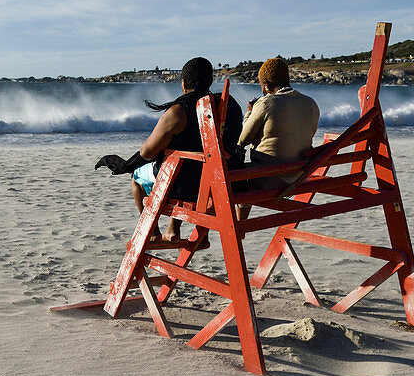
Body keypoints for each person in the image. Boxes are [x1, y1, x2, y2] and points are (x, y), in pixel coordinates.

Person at [96, 57, 243, 243]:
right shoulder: (230, 107)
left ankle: (153, 232)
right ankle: (181, 230)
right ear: (209, 81)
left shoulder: (179, 111)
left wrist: (126, 165)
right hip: (218, 182)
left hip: (185, 187)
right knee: (188, 164)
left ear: (184, 83)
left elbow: (147, 152)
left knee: (137, 176)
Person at [238, 58, 319, 188]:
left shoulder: (266, 103)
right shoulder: (311, 103)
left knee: (237, 181)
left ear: (266, 84)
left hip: (268, 178)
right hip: (299, 177)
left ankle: (240, 208)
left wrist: (249, 113)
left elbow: (243, 139)